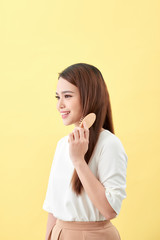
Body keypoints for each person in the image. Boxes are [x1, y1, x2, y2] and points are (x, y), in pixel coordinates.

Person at [42, 63, 128, 240]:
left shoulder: (109, 144)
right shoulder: (62, 144)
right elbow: (52, 207)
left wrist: (79, 161)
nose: (60, 105)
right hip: (59, 234)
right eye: (58, 97)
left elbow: (110, 210)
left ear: (89, 96)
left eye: (67, 96)